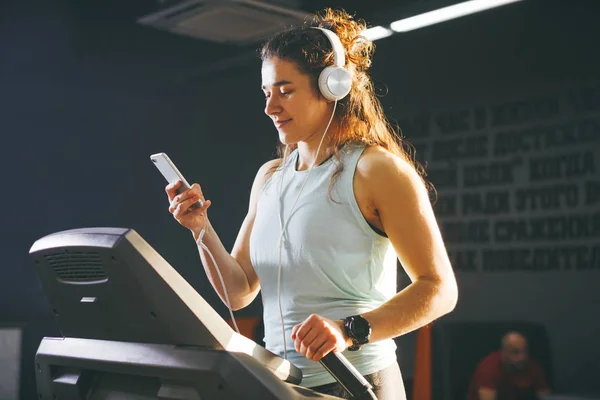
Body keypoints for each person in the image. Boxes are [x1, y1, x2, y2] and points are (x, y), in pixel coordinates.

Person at [165, 8, 458, 399]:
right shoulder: (270, 177)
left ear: (332, 87)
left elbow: (439, 289)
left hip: (359, 384)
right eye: (267, 93)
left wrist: (348, 330)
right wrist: (201, 230)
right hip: (282, 384)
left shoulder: (376, 170)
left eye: (285, 91)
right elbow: (238, 291)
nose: (271, 108)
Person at [467, 331, 551, 400]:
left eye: (524, 351)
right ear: (504, 353)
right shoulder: (488, 367)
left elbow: (545, 396)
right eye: (515, 352)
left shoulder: (532, 365)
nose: (522, 357)